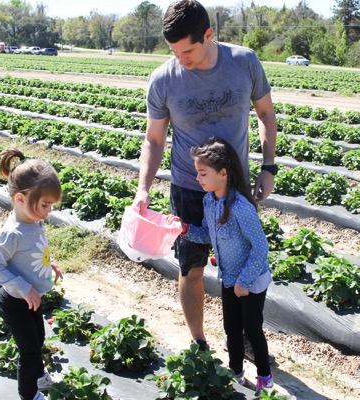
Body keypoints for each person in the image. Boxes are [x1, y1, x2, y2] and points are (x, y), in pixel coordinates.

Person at [133, 0, 277, 353]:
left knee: (242, 267)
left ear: (208, 35)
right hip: (188, 186)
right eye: (173, 51)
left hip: (236, 188)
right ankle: (198, 339)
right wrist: (142, 189)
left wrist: (268, 166)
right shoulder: (164, 79)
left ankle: (244, 337)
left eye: (187, 51)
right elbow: (153, 139)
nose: (181, 59)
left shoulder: (244, 62)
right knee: (191, 267)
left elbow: (266, 116)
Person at [167, 137, 274, 391]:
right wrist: (184, 229)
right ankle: (236, 373)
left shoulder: (240, 207)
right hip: (229, 277)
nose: (198, 179)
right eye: (197, 173)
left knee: (252, 329)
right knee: (231, 328)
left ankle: (265, 378)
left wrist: (244, 281)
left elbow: (260, 246)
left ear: (223, 173)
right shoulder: (209, 202)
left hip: (251, 281)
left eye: (203, 173)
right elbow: (206, 234)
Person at [0, 149, 63, 400]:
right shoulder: (13, 232)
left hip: (30, 299)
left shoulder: (33, 220)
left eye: (51, 205)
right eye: (45, 205)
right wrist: (23, 286)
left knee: (38, 339)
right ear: (20, 198)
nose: (48, 211)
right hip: (15, 303)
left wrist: (48, 265)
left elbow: (32, 251)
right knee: (29, 351)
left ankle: (39, 377)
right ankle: (29, 395)